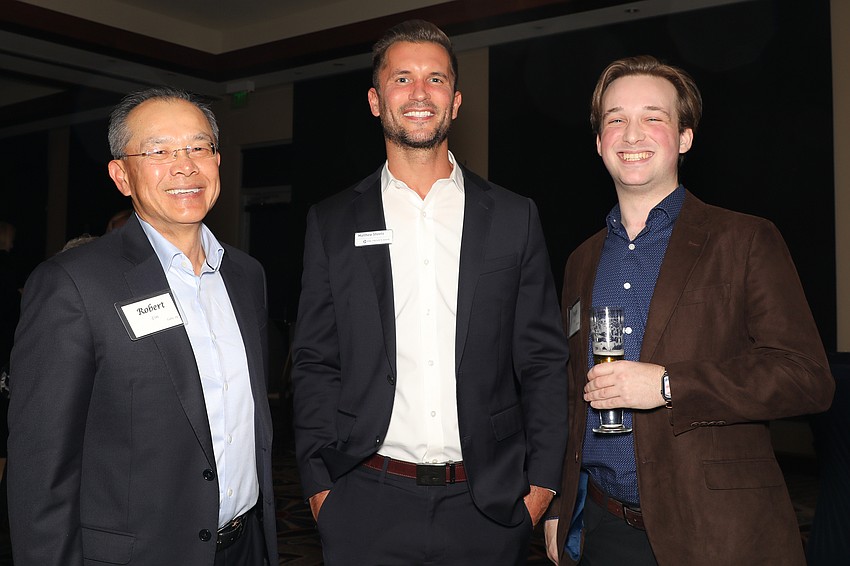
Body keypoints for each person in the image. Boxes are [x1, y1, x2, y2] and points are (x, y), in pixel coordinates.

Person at [291, 19, 569, 565]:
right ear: (376, 100)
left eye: (436, 79)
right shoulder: (331, 222)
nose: (419, 93)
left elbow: (542, 359)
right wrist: (321, 486)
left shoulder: (513, 217)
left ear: (457, 100)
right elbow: (315, 360)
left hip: (487, 505)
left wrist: (540, 488)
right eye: (402, 79)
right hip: (364, 501)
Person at [544, 55, 835, 566]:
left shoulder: (744, 239)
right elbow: (572, 393)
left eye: (653, 117)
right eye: (615, 119)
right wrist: (559, 506)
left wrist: (666, 385)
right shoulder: (580, 260)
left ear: (684, 138)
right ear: (598, 142)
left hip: (719, 534)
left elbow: (806, 377)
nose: (632, 134)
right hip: (605, 530)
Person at [8, 87, 277, 566]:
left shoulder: (246, 275)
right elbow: (40, 470)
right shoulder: (73, 284)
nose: (184, 165)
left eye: (198, 147)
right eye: (158, 151)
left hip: (245, 548)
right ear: (121, 175)